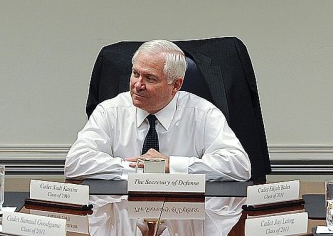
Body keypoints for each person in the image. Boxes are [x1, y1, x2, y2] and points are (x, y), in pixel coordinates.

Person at [64, 40, 251, 182]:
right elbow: (75, 163)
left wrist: (173, 166)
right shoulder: (110, 111)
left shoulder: (203, 113)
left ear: (176, 85)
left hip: (185, 218)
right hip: (122, 217)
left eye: (150, 78)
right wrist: (140, 169)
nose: (138, 85)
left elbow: (239, 165)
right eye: (135, 74)